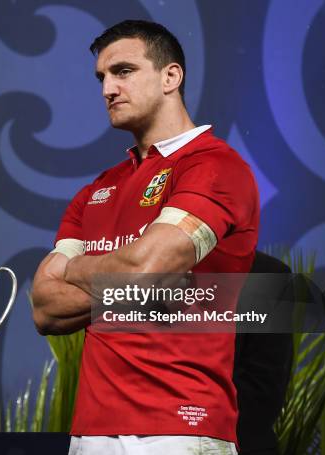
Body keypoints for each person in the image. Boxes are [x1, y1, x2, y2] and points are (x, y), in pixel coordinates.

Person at [31, 20, 259, 455]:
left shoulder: (214, 166)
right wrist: (129, 271)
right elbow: (45, 307)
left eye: (124, 71)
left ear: (171, 77)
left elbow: (146, 270)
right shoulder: (94, 191)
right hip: (91, 432)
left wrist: (75, 269)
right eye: (101, 77)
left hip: (180, 427)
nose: (107, 89)